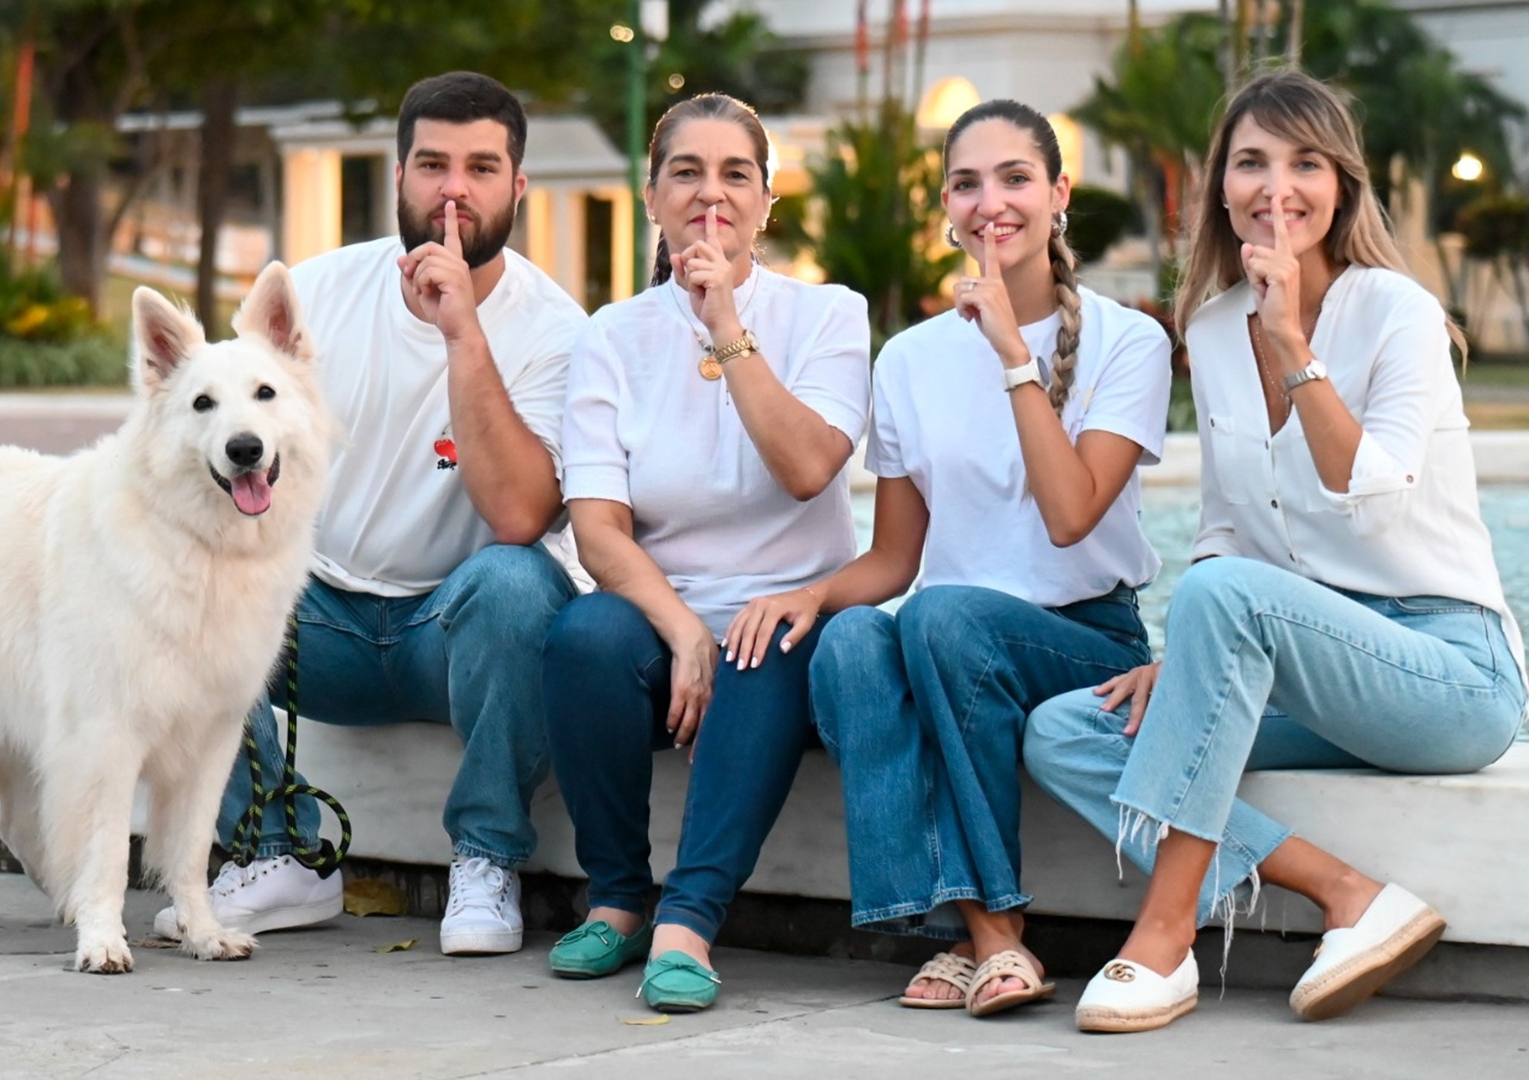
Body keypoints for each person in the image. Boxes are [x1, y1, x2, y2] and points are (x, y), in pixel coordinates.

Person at [1024, 69, 1526, 1033]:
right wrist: (1193, 663)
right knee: (1066, 732)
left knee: (1221, 599)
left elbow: (1370, 504)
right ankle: (1344, 892)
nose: (1276, 186)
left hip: (1449, 677)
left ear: (1342, 185)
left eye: (1305, 163)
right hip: (1310, 672)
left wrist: (1294, 340)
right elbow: (1226, 529)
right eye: (1251, 161)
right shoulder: (1211, 331)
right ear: (1220, 183)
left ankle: (1163, 937)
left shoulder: (1398, 313)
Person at [151, 71, 587, 956]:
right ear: (397, 177)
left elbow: (519, 516)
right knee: (184, 577)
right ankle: (273, 853)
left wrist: (463, 332)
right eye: (432, 164)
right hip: (313, 621)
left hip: (450, 632)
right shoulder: (315, 295)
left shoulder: (558, 331)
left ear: (518, 188)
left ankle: (487, 858)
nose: (454, 190)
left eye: (480, 167)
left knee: (521, 584)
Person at [765, 99, 1171, 1016]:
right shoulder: (908, 359)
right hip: (947, 644)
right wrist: (814, 594)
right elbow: (898, 557)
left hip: (1083, 643)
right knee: (857, 641)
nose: (992, 202)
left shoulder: (1129, 341)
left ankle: (981, 932)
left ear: (1059, 194)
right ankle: (975, 934)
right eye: (967, 183)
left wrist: (1012, 356)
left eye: (1016, 178)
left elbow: (1070, 517)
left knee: (945, 617)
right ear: (946, 206)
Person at [541, 93, 870, 1012]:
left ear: (768, 202)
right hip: (668, 629)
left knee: (762, 645)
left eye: (736, 175)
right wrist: (684, 630)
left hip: (791, 621)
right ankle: (617, 898)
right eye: (686, 172)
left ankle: (689, 919)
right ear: (652, 195)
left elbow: (809, 468)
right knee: (584, 637)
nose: (710, 194)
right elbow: (598, 526)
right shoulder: (613, 335)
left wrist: (726, 320)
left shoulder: (831, 317)